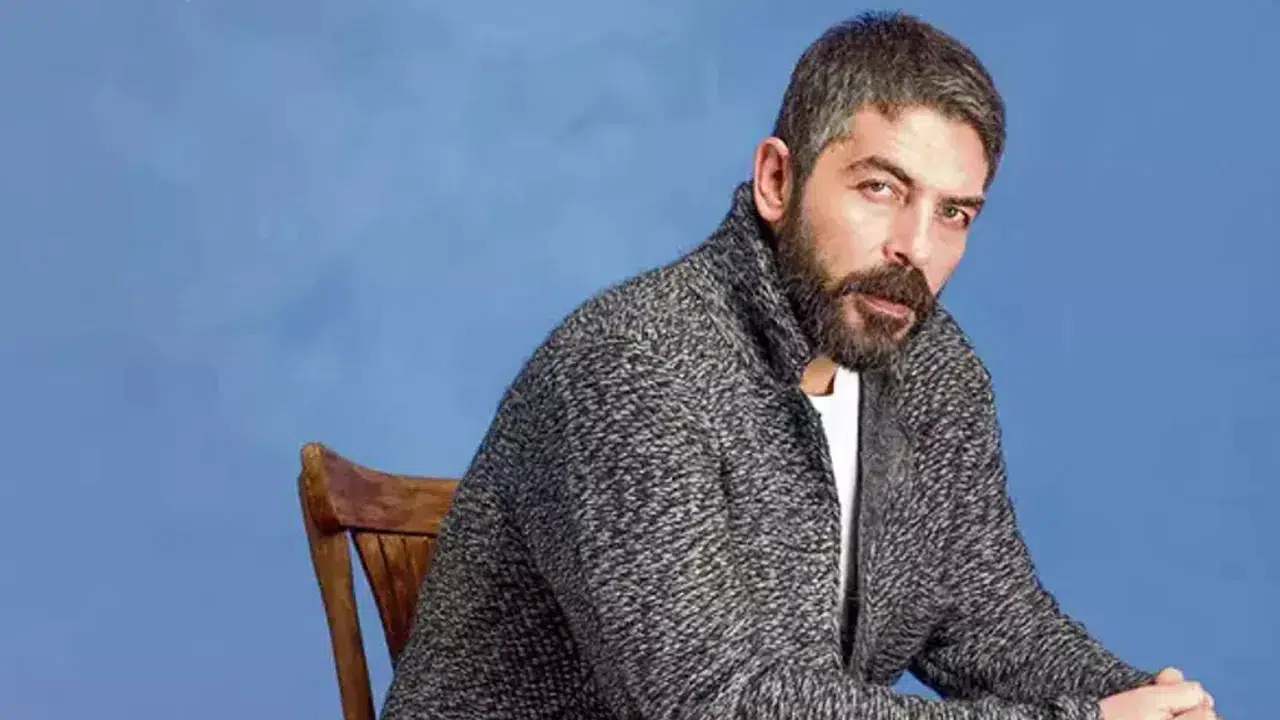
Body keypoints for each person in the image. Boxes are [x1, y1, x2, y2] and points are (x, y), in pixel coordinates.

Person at [382, 12, 1219, 720]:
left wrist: (1147, 701)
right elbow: (712, 701)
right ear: (777, 180)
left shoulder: (934, 372)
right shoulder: (633, 366)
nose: (916, 248)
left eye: (954, 213)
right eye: (881, 188)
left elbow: (990, 624)